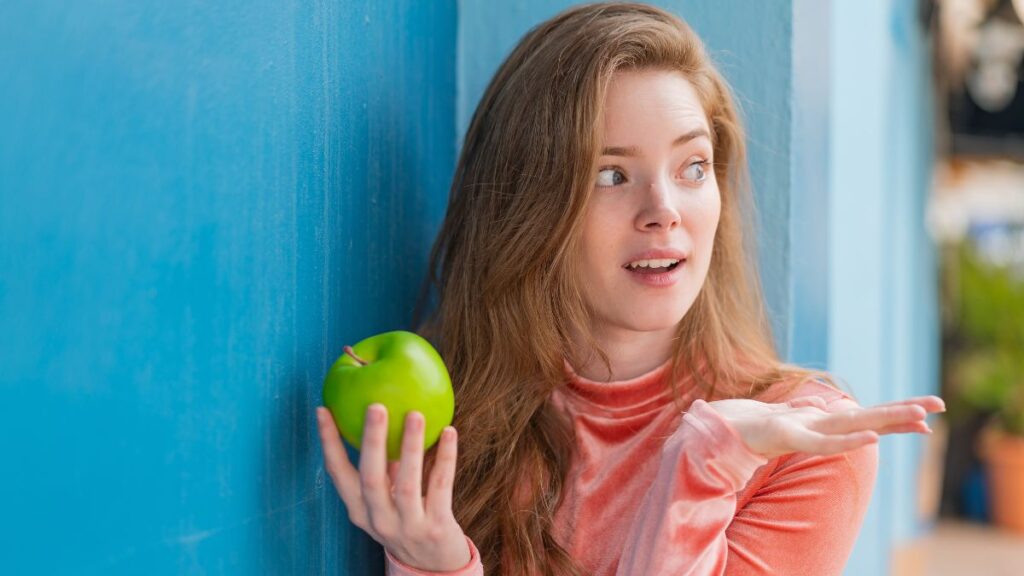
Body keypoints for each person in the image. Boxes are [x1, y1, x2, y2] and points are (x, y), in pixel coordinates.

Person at [315, 3, 945, 575]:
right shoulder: (453, 424)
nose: (664, 210)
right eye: (611, 174)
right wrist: (437, 565)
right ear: (530, 205)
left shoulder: (805, 443)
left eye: (692, 167)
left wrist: (703, 467)